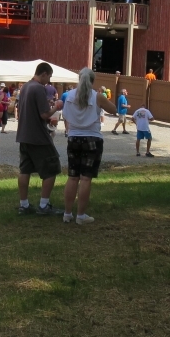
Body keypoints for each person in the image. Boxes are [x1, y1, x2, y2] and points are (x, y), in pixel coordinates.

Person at [61, 67, 118, 224]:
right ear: (92, 81)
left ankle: (67, 214)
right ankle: (80, 215)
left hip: (73, 138)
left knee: (72, 177)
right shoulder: (97, 97)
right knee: (85, 178)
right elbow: (113, 110)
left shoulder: (69, 96)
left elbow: (65, 115)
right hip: (92, 138)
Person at [16, 62, 64, 216]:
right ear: (43, 73)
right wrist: (56, 107)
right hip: (38, 136)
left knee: (25, 170)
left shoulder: (26, 87)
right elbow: (44, 115)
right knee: (52, 166)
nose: (48, 80)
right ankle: (44, 205)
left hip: (24, 134)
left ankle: (24, 205)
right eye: (49, 76)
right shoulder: (39, 88)